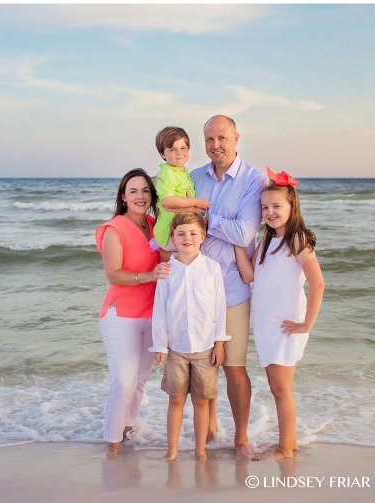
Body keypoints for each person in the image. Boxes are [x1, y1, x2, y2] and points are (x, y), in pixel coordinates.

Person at [189, 115, 267, 458]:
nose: (215, 146)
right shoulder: (193, 179)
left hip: (234, 289)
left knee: (234, 366)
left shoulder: (254, 180)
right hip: (197, 287)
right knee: (201, 363)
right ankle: (209, 429)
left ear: (236, 137)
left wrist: (206, 220)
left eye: (221, 138)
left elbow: (244, 233)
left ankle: (241, 437)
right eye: (209, 140)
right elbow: (181, 227)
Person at [237, 167, 326, 460]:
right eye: (265, 207)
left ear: (291, 206)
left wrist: (306, 323)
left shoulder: (298, 240)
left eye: (277, 206)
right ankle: (290, 443)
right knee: (277, 387)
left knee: (280, 388)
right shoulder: (265, 242)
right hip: (265, 324)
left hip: (286, 324)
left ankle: (286, 448)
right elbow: (250, 276)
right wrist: (238, 243)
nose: (270, 212)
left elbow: (318, 282)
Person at [95, 168, 171, 456]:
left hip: (152, 315)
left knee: (139, 380)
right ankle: (112, 443)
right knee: (123, 380)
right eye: (133, 191)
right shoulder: (114, 229)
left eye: (145, 191)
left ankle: (127, 428)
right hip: (121, 316)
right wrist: (150, 275)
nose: (140, 196)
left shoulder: (155, 225)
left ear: (152, 196)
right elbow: (114, 275)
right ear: (124, 197)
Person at [150, 212, 230, 460]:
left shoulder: (212, 268)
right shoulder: (167, 271)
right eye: (181, 234)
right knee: (175, 400)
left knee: (201, 401)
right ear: (173, 237)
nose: (187, 238)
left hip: (206, 348)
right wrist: (160, 345)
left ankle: (200, 450)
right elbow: (160, 310)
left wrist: (219, 343)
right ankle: (171, 451)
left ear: (203, 237)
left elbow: (220, 307)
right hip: (176, 348)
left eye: (193, 233)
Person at [151, 126, 211, 261]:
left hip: (178, 229)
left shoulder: (183, 172)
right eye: (173, 149)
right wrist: (196, 202)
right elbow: (168, 201)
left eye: (183, 148)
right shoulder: (167, 173)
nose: (179, 153)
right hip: (169, 232)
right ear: (162, 154)